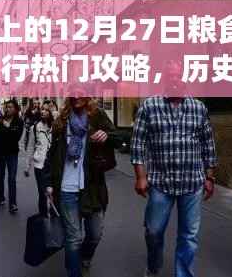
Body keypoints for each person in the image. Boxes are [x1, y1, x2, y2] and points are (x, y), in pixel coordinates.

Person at [130, 63, 217, 277]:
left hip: (192, 182)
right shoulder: (149, 106)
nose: (175, 80)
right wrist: (140, 176)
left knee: (189, 236)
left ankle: (183, 273)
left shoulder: (198, 108)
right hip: (160, 182)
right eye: (171, 76)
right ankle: (154, 267)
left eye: (179, 76)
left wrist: (210, 177)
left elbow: (208, 144)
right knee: (153, 231)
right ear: (164, 79)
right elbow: (137, 143)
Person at [43, 90, 116, 277]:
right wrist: (49, 183)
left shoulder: (97, 116)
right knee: (73, 238)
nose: (76, 96)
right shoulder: (61, 121)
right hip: (66, 188)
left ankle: (85, 257)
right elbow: (52, 155)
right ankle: (74, 271)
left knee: (95, 234)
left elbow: (119, 137)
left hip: (92, 188)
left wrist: (107, 135)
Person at [0, 99, 24, 214]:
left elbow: (16, 137)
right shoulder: (0, 120)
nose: (8, 109)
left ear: (15, 109)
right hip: (0, 153)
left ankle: (13, 203)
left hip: (12, 153)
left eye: (11, 107)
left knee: (12, 178)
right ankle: (1, 197)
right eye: (7, 107)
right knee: (0, 176)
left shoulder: (19, 122)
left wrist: (8, 127)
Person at [26, 105, 53, 214]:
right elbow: (30, 147)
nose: (43, 111)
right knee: (42, 192)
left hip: (53, 164)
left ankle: (53, 214)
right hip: (40, 165)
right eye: (42, 109)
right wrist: (28, 166)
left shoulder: (56, 126)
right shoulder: (35, 128)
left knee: (53, 191)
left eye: (46, 110)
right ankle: (43, 216)